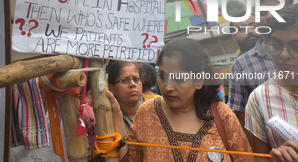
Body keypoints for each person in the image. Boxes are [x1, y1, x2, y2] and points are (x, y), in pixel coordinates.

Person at [107, 38, 255, 161]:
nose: (168, 87)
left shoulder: (222, 115)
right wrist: (115, 117)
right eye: (163, 76)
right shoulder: (146, 113)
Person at [245, 3, 298, 161]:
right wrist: (275, 158)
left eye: (297, 47)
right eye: (275, 45)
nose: (284, 55)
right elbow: (259, 159)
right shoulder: (260, 99)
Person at [227, 0, 293, 131]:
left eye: (278, 11)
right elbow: (242, 121)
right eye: (262, 13)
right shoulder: (242, 65)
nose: (269, 16)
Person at [223, 12, 259, 103]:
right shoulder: (232, 72)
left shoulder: (279, 56)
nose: (250, 31)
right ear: (234, 37)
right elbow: (234, 112)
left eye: (253, 25)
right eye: (242, 29)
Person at [107, 61, 143, 134]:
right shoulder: (107, 117)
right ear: (112, 88)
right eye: (124, 80)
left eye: (136, 79)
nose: (132, 84)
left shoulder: (153, 111)